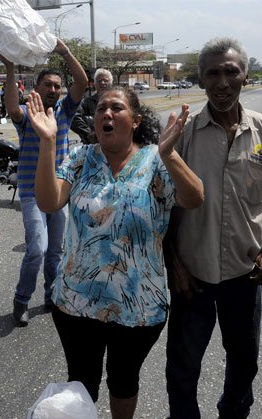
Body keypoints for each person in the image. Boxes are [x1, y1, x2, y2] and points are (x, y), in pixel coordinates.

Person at [29, 85, 204, 418]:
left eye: (116, 108)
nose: (106, 114)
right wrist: (47, 142)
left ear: (135, 120)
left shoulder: (155, 159)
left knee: (124, 381)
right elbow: (48, 201)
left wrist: (170, 155)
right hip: (76, 303)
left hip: (137, 307)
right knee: (81, 384)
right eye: (100, 109)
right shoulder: (81, 158)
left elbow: (194, 198)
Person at [164, 37, 262, 419]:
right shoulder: (182, 132)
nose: (222, 82)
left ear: (245, 76)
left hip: (244, 273)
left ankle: (233, 412)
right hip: (193, 274)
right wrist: (175, 265)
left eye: (230, 72)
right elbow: (163, 205)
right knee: (183, 368)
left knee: (244, 361)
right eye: (213, 73)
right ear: (200, 79)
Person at [0, 39, 88, 326]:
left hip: (59, 191)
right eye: (49, 85)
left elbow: (81, 82)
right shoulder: (27, 113)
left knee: (56, 251)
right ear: (37, 88)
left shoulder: (65, 111)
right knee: (37, 249)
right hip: (32, 193)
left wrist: (65, 52)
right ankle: (21, 299)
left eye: (57, 86)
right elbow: (11, 105)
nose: (54, 90)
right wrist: (9, 67)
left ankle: (51, 294)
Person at [71, 68, 113, 144]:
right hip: (91, 145)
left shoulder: (117, 102)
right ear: (94, 83)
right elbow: (73, 118)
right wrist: (91, 135)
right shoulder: (86, 102)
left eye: (106, 80)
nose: (102, 83)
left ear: (111, 83)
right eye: (99, 80)